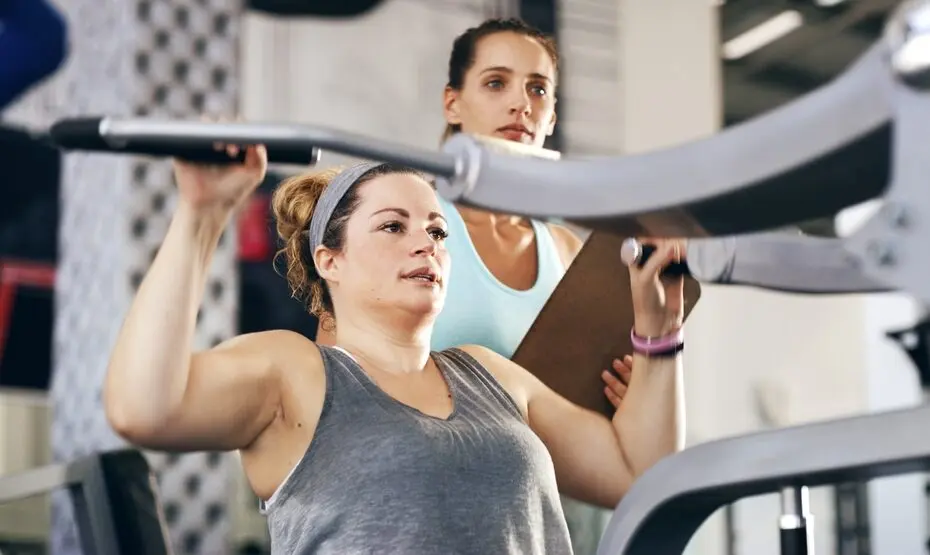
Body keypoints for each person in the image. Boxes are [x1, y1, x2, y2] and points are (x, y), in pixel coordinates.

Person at [103, 145, 687, 553]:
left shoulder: (492, 377)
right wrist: (202, 213)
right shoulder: (297, 372)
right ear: (330, 260)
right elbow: (142, 409)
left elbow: (640, 474)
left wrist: (659, 331)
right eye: (393, 227)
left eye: (436, 230)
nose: (426, 244)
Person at [314, 17, 651, 552]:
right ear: (453, 103)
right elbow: (333, 401)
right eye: (497, 83)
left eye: (537, 88)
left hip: (542, 511)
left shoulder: (567, 249)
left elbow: (611, 439)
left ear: (552, 113)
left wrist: (632, 395)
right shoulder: (403, 234)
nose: (521, 103)